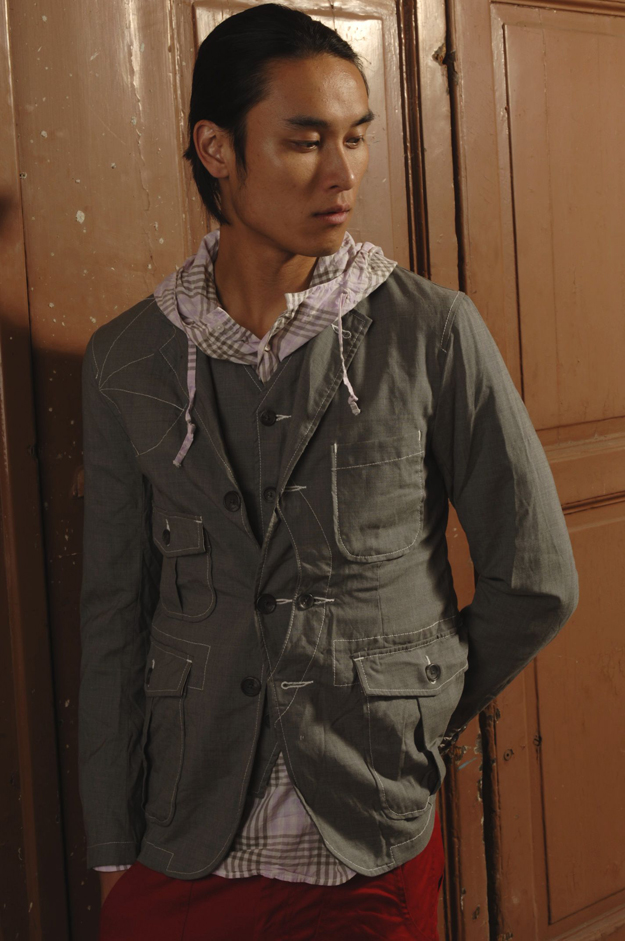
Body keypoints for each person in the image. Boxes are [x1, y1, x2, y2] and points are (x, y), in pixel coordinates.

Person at [78, 4, 579, 939]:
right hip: (179, 844)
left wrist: (409, 710)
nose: (343, 173)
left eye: (355, 137)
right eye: (306, 141)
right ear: (217, 149)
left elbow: (538, 579)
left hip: (364, 847)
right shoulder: (126, 360)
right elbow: (113, 619)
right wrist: (112, 848)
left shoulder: (430, 331)